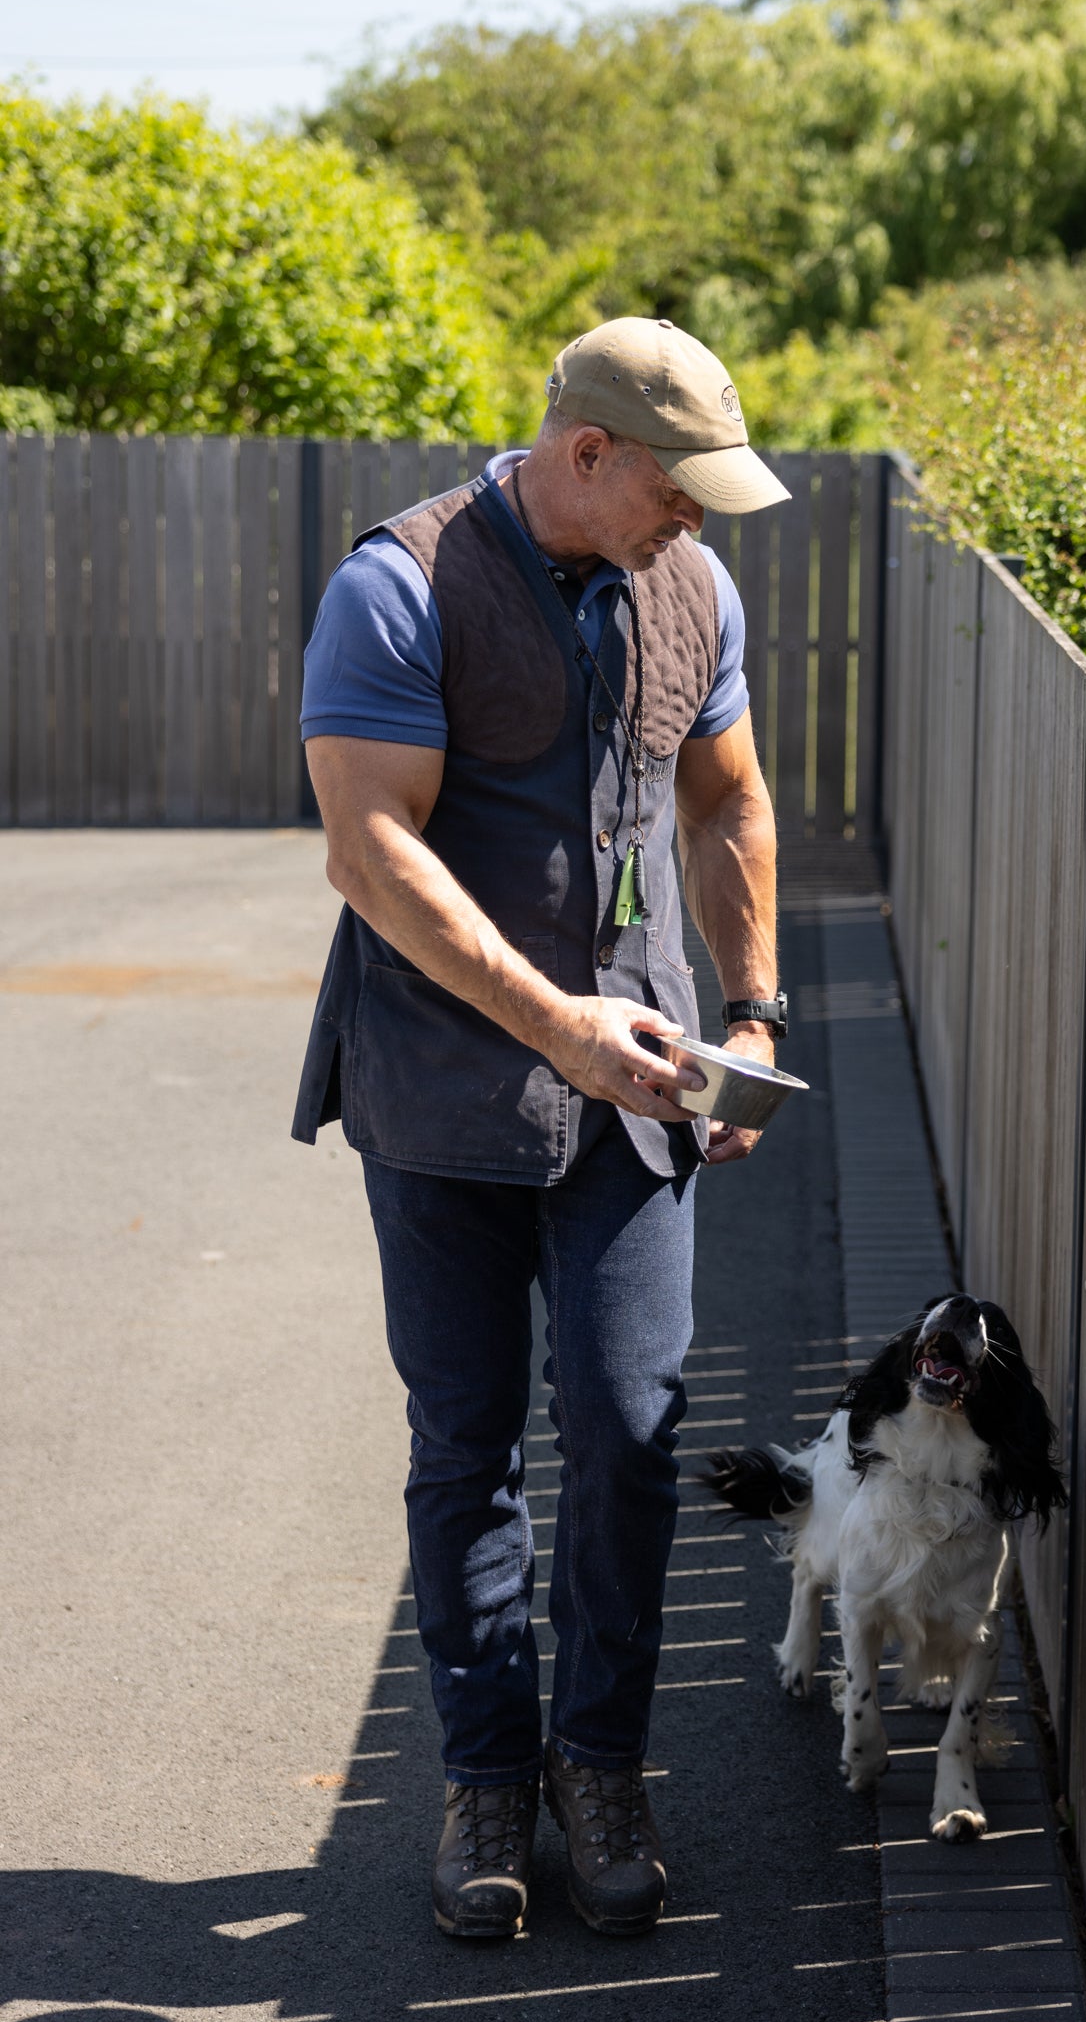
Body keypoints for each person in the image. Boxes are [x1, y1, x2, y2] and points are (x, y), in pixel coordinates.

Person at [291, 318, 788, 1939]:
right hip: (439, 1091)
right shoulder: (400, 582)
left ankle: (599, 1763)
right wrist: (555, 1025)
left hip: (638, 1082)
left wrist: (753, 1014)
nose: (695, 521)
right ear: (589, 454)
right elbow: (371, 848)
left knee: (634, 1433)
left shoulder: (692, 593)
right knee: (467, 1449)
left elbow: (722, 801)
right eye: (677, 488)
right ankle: (487, 1782)